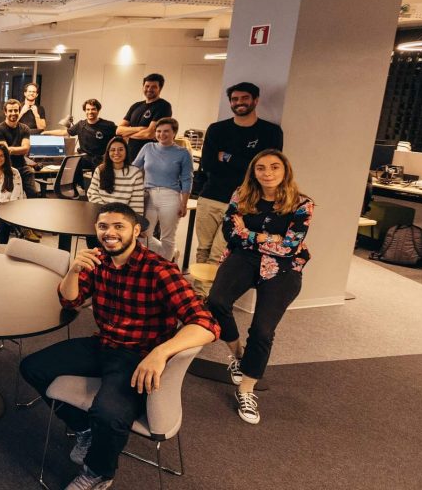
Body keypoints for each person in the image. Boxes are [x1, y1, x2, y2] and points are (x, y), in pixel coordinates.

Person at [20, 202, 219, 490]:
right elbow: (70, 301)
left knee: (109, 415)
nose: (109, 233)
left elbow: (206, 323)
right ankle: (83, 428)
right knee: (32, 367)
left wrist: (161, 352)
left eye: (118, 227)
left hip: (138, 355)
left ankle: (98, 472)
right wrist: (74, 270)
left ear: (135, 231)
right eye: (103, 227)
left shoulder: (160, 270)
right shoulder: (99, 261)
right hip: (103, 344)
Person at [206, 150, 312, 426]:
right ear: (253, 172)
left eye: (275, 167)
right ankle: (239, 355)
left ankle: (246, 390)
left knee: (263, 330)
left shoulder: (302, 204)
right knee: (215, 301)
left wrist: (248, 233)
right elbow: (229, 234)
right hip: (243, 258)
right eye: (261, 168)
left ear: (285, 171)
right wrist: (267, 237)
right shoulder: (241, 195)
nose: (268, 173)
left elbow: (289, 246)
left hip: (284, 267)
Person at [195, 83, 284, 276]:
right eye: (235, 99)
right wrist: (247, 163)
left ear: (255, 100)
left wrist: (227, 157)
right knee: (203, 250)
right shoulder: (217, 129)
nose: (239, 102)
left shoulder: (270, 132)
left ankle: (210, 293)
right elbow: (208, 164)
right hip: (210, 198)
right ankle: (199, 292)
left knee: (219, 253)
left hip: (243, 203)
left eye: (244, 98)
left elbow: (265, 169)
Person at [133, 118, 192, 261]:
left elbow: (187, 179)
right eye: (158, 131)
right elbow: (134, 168)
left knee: (167, 238)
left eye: (166, 131)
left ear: (174, 133)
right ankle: (171, 254)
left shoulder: (183, 153)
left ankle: (165, 267)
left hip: (170, 196)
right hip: (148, 195)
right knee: (143, 235)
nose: (161, 134)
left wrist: (184, 203)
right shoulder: (148, 147)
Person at [44, 98, 118, 185]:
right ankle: (80, 186)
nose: (90, 112)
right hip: (84, 157)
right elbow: (64, 132)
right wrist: (46, 132)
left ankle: (95, 189)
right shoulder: (81, 124)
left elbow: (120, 135)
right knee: (71, 163)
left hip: (100, 158)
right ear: (85, 111)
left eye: (93, 109)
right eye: (88, 109)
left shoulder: (108, 125)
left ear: (98, 110)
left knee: (99, 181)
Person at [0, 99, 40, 198]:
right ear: (5, 112)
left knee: (33, 194)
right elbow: (4, 152)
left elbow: (26, 149)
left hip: (22, 166)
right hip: (6, 168)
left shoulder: (25, 128)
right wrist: (17, 150)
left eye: (16, 110)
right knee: (10, 197)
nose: (13, 113)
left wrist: (11, 149)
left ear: (19, 111)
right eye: (10, 111)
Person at [116, 73, 171, 158]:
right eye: (147, 86)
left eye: (154, 87)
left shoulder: (163, 106)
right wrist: (140, 129)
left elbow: (150, 134)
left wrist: (127, 134)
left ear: (160, 89)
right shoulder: (136, 106)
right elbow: (118, 130)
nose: (149, 89)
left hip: (151, 156)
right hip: (131, 154)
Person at [87, 137, 145, 215]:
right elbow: (92, 193)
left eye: (120, 149)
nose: (116, 152)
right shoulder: (100, 170)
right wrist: (106, 212)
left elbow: (137, 204)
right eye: (113, 150)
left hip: (124, 216)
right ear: (108, 152)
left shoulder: (135, 173)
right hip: (102, 213)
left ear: (126, 152)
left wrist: (130, 220)